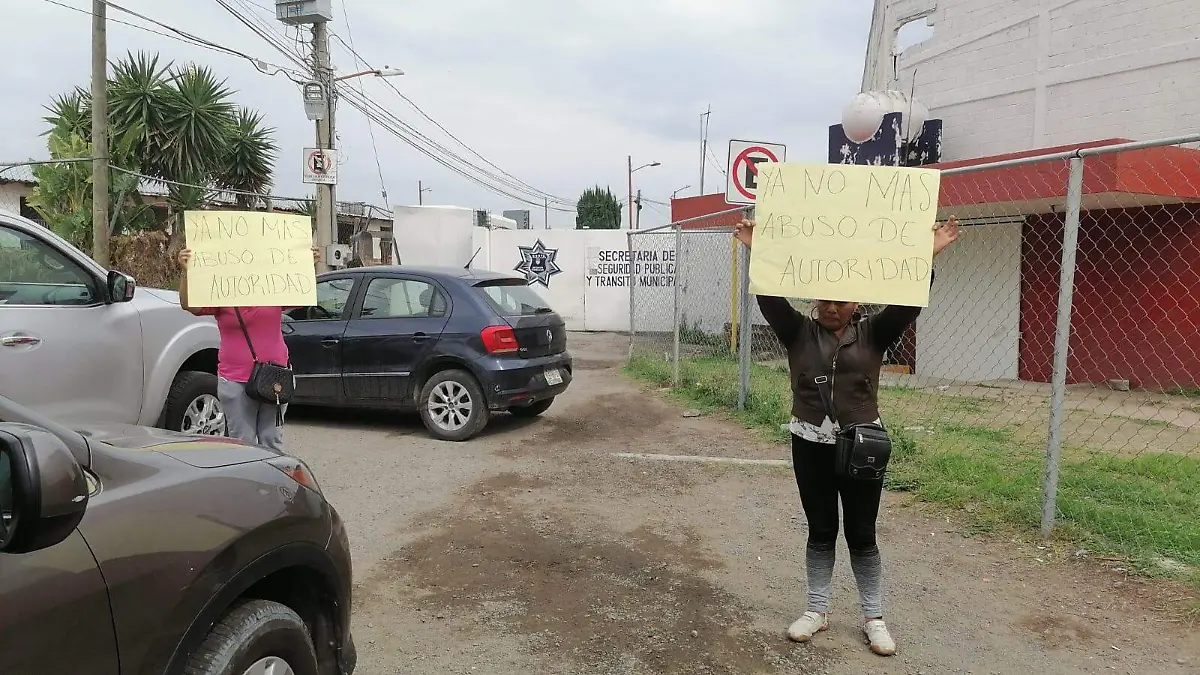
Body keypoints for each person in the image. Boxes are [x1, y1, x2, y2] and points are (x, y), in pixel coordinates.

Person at [733, 214, 960, 657]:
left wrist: (926, 254)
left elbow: (910, 301)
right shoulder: (797, 332)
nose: (832, 307)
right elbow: (769, 297)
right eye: (825, 299)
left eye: (842, 301)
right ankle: (816, 610)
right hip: (809, 441)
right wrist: (755, 248)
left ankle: (874, 617)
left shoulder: (875, 333)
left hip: (863, 445)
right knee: (820, 529)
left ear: (858, 303)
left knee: (861, 532)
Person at [176, 246, 322, 451]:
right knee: (242, 443)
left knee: (271, 439)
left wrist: (308, 265)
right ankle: (249, 483)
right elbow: (188, 305)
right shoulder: (221, 293)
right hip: (235, 381)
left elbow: (302, 293)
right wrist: (186, 271)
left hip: (275, 377)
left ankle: (272, 482)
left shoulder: (273, 289)